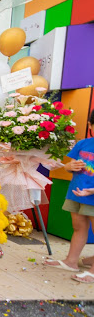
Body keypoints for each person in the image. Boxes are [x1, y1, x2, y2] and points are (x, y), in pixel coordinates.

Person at [44, 111, 94, 283]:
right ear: (90, 126)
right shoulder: (83, 144)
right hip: (76, 193)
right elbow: (66, 167)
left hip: (92, 195)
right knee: (78, 226)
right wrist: (69, 166)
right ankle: (71, 261)